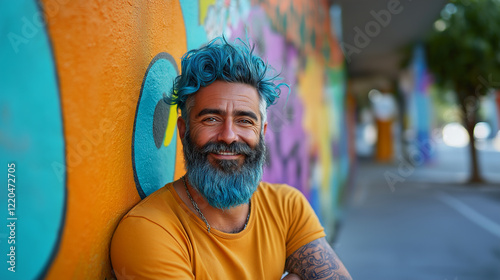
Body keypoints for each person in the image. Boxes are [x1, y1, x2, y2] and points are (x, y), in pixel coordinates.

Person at [110, 37, 352, 280]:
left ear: (262, 133)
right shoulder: (150, 230)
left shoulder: (287, 206)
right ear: (184, 131)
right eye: (211, 119)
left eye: (245, 121)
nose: (228, 136)